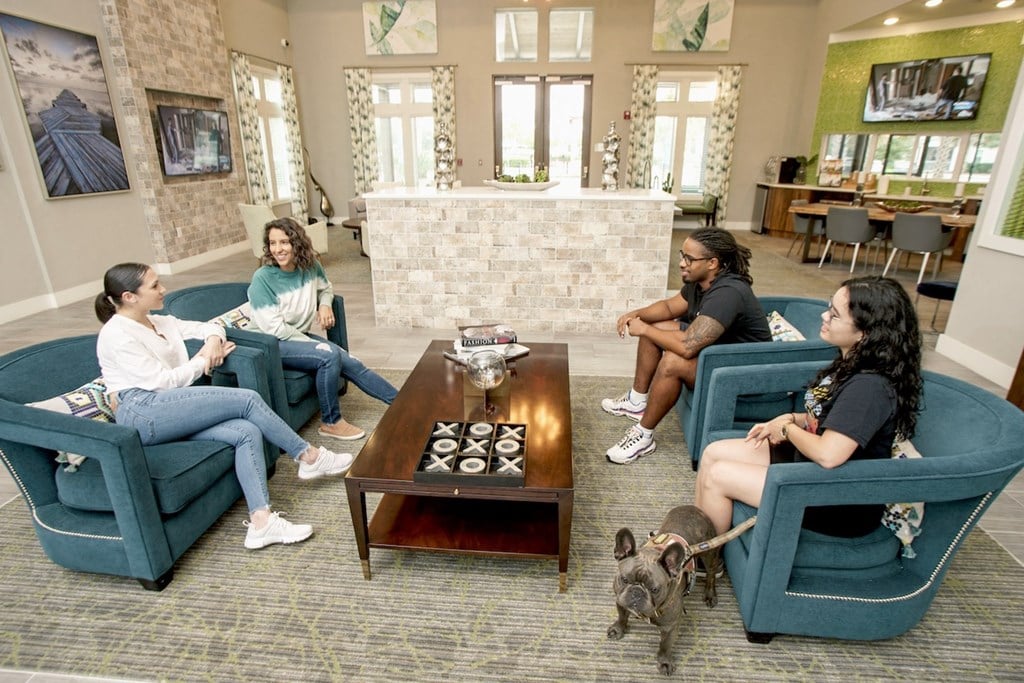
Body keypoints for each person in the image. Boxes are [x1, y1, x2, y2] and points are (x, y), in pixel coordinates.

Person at [95, 263, 353, 549]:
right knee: (247, 399)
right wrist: (203, 361)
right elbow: (162, 382)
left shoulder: (158, 321)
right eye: (154, 286)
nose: (162, 289)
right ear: (129, 296)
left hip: (166, 409)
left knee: (245, 431)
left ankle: (261, 522)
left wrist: (214, 340)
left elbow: (211, 326)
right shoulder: (117, 334)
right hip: (143, 412)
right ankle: (308, 456)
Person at [694, 276, 923, 540]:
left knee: (719, 475)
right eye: (829, 307)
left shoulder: (869, 388)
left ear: (865, 332)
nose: (824, 316)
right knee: (713, 454)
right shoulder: (850, 363)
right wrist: (792, 417)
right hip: (809, 464)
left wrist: (787, 429)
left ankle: (702, 561)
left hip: (836, 496)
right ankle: (695, 544)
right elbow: (831, 418)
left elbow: (829, 454)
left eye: (835, 315)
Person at [602, 227, 771, 464]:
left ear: (713, 262)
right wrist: (638, 314)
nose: (682, 263)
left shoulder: (729, 293)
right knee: (656, 326)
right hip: (718, 356)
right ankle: (637, 401)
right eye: (683, 255)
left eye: (689, 259)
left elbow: (687, 348)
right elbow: (670, 308)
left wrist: (644, 328)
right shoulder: (699, 281)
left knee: (673, 361)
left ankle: (644, 435)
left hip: (743, 374)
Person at [248, 217, 397, 441]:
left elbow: (326, 288)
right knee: (329, 356)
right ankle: (331, 422)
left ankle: (401, 400)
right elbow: (275, 329)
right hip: (270, 343)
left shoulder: (310, 266)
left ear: (296, 243)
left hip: (295, 336)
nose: (277, 249)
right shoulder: (263, 279)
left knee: (351, 362)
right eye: (272, 243)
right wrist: (316, 345)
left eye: (284, 242)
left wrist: (325, 304)